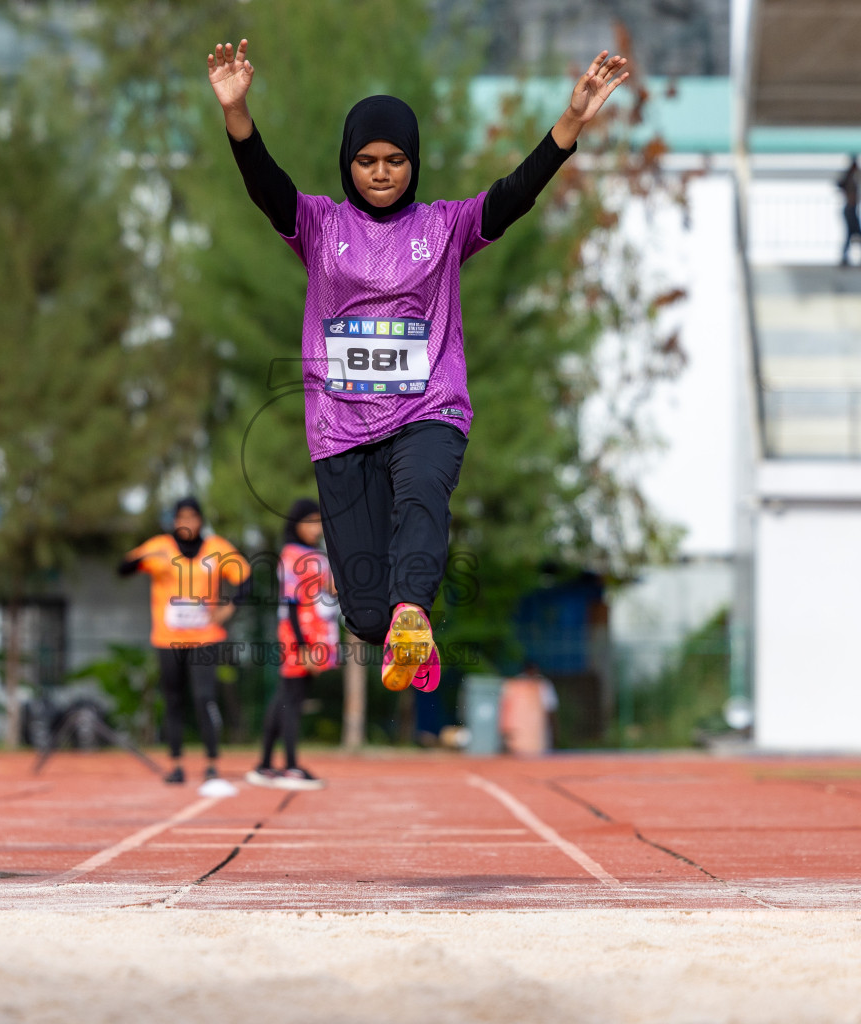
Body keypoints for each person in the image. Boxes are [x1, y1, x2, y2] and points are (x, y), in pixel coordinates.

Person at [206, 39, 628, 693]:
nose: (382, 172)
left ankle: (413, 613)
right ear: (349, 165)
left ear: (414, 162)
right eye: (367, 161)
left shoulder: (446, 227)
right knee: (365, 615)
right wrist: (238, 116)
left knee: (424, 496)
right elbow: (268, 187)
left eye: (395, 160)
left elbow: (515, 195)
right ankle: (400, 624)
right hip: (341, 428)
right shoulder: (318, 225)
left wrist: (568, 124)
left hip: (428, 407)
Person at [120, 498, 252, 784]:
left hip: (205, 638)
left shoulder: (217, 548)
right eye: (181, 517)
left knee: (204, 698)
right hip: (168, 639)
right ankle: (176, 764)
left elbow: (246, 578)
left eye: (192, 517)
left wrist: (229, 607)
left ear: (201, 520)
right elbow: (124, 567)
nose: (187, 523)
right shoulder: (161, 547)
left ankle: (212, 764)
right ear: (174, 521)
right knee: (173, 701)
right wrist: (145, 557)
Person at [248, 499, 335, 791]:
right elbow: (293, 603)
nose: (316, 527)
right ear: (295, 524)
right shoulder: (292, 555)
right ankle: (291, 766)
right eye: (310, 521)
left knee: (284, 697)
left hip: (316, 634)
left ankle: (264, 765)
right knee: (293, 701)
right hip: (299, 635)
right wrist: (303, 646)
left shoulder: (316, 553)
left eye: (318, 521)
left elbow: (332, 589)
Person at [837, 157, 861, 266]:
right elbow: (839, 185)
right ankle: (846, 259)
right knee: (853, 235)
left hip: (852, 209)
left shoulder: (854, 178)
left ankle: (847, 259)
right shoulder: (849, 178)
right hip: (850, 210)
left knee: (855, 235)